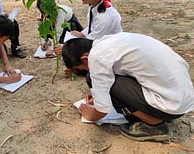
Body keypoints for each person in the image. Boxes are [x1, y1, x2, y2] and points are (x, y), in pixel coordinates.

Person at [62, 33, 194, 141]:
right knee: (96, 80)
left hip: (171, 107)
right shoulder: (108, 41)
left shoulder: (96, 57)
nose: (86, 69)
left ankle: (154, 125)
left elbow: (102, 109)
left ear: (85, 58)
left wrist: (91, 115)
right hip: (182, 97)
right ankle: (156, 116)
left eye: (81, 68)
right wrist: (98, 92)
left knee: (99, 81)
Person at [54, 0, 122, 55]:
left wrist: (66, 48)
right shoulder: (93, 6)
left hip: (111, 50)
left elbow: (91, 42)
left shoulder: (104, 16)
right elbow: (92, 27)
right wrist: (82, 33)